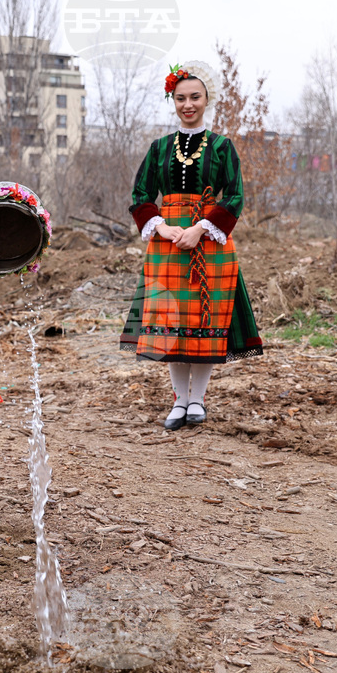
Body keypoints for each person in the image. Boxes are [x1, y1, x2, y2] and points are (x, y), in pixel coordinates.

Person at [120, 62, 263, 429]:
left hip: (210, 241)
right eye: (180, 98)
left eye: (195, 97)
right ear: (173, 100)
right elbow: (140, 194)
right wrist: (164, 229)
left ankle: (197, 400)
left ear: (206, 100)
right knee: (172, 323)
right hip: (167, 244)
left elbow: (234, 196)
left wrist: (200, 229)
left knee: (205, 322)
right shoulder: (159, 148)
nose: (188, 104)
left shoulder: (222, 147)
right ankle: (178, 402)